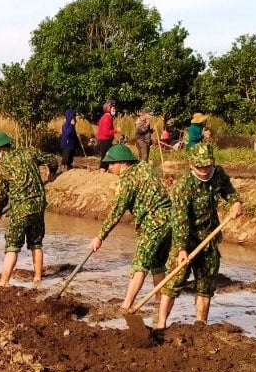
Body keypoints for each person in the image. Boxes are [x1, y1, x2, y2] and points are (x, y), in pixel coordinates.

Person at [157, 143, 243, 328]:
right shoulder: (184, 187)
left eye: (208, 166)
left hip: (209, 239)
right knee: (173, 281)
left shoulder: (218, 174)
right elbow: (180, 221)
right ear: (191, 165)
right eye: (200, 167)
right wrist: (181, 249)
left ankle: (200, 325)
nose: (204, 170)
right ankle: (161, 323)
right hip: (186, 239)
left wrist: (236, 202)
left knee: (205, 286)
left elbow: (230, 192)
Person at [90, 144, 173, 309]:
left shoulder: (127, 181)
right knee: (157, 263)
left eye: (112, 164)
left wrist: (100, 236)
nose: (109, 167)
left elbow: (116, 212)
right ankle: (158, 301)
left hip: (153, 223)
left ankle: (126, 306)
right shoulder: (144, 166)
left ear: (124, 163)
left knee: (139, 264)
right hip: (169, 220)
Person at [0, 131, 57, 286]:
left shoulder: (2, 167)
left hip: (20, 210)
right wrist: (52, 172)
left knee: (12, 246)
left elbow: (1, 194)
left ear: (2, 149)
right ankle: (37, 279)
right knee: (36, 243)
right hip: (38, 206)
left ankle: (4, 282)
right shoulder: (29, 152)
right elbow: (51, 159)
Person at [95, 101, 117, 171]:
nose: (114, 110)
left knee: (105, 156)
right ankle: (102, 170)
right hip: (105, 141)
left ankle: (103, 170)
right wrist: (116, 131)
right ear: (108, 109)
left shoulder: (106, 117)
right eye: (113, 109)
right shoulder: (107, 118)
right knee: (106, 156)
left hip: (104, 140)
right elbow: (106, 132)